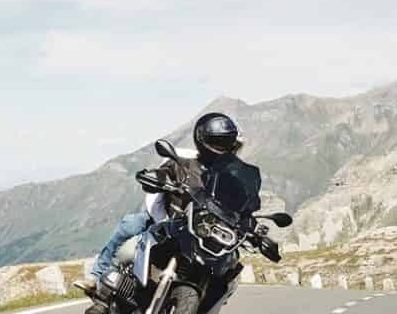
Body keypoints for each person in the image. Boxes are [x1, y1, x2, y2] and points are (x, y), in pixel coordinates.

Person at [80, 110, 262, 300]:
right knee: (131, 224)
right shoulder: (182, 162)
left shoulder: (231, 180)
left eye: (227, 144)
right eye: (217, 142)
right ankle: (97, 277)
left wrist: (252, 226)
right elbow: (157, 188)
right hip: (165, 221)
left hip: (202, 233)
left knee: (229, 268)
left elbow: (243, 207)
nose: (222, 149)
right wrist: (158, 186)